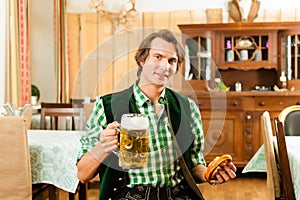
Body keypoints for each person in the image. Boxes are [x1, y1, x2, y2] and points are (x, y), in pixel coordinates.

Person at [77, 29, 237, 200]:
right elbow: (83, 174)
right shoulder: (106, 106)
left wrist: (209, 175)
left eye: (172, 60)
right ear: (142, 60)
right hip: (130, 195)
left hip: (177, 194)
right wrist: (103, 147)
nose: (164, 66)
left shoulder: (187, 108)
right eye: (158, 57)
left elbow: (194, 164)